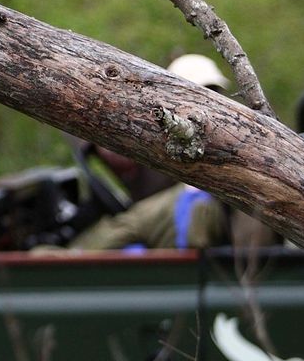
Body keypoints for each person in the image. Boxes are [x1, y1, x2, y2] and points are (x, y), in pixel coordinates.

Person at [71, 55, 232, 251]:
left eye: (212, 93)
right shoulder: (156, 129)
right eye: (205, 92)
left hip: (181, 215)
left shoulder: (224, 135)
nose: (209, 102)